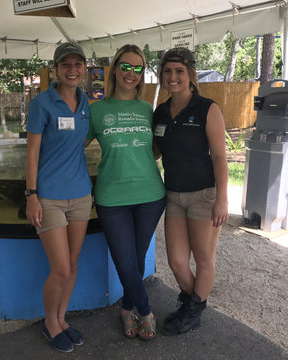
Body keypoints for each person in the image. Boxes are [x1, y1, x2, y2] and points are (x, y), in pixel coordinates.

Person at [85, 44, 166, 341]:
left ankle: (127, 307)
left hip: (150, 195)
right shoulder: (96, 111)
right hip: (111, 198)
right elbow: (74, 147)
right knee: (124, 261)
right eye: (126, 66)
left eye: (137, 68)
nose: (131, 73)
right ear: (115, 68)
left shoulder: (147, 110)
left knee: (137, 258)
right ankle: (145, 311)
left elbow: (156, 150)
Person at [153, 47, 228, 335]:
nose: (173, 77)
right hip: (173, 195)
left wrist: (222, 199)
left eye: (179, 71)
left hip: (203, 195)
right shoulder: (160, 112)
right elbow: (155, 153)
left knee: (204, 258)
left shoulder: (207, 108)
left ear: (191, 75)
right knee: (176, 261)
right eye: (167, 71)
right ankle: (192, 304)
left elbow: (220, 157)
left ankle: (192, 310)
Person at [25, 42, 93, 353]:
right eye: (66, 64)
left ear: (85, 69)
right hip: (49, 197)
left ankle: (61, 318)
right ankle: (50, 323)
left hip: (81, 195)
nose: (72, 69)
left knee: (74, 265)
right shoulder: (42, 103)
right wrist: (32, 195)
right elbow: (33, 152)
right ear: (56, 69)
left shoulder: (85, 103)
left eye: (78, 64)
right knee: (61, 269)